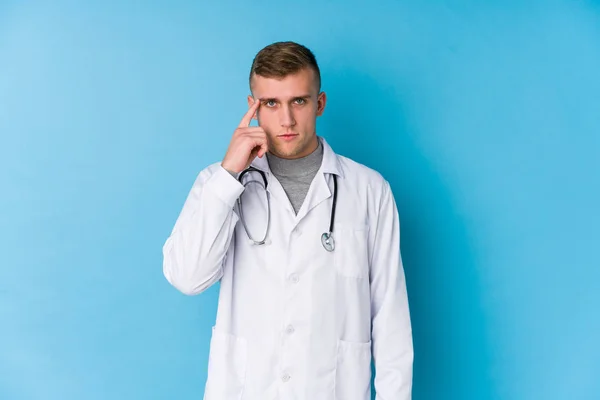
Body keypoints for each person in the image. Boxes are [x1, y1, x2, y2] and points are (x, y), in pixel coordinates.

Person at [162, 41, 413, 400]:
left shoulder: (369, 190)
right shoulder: (218, 183)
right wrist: (229, 174)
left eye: (299, 101)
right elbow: (187, 277)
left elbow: (391, 321)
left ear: (319, 104)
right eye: (271, 103)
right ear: (253, 108)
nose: (287, 120)